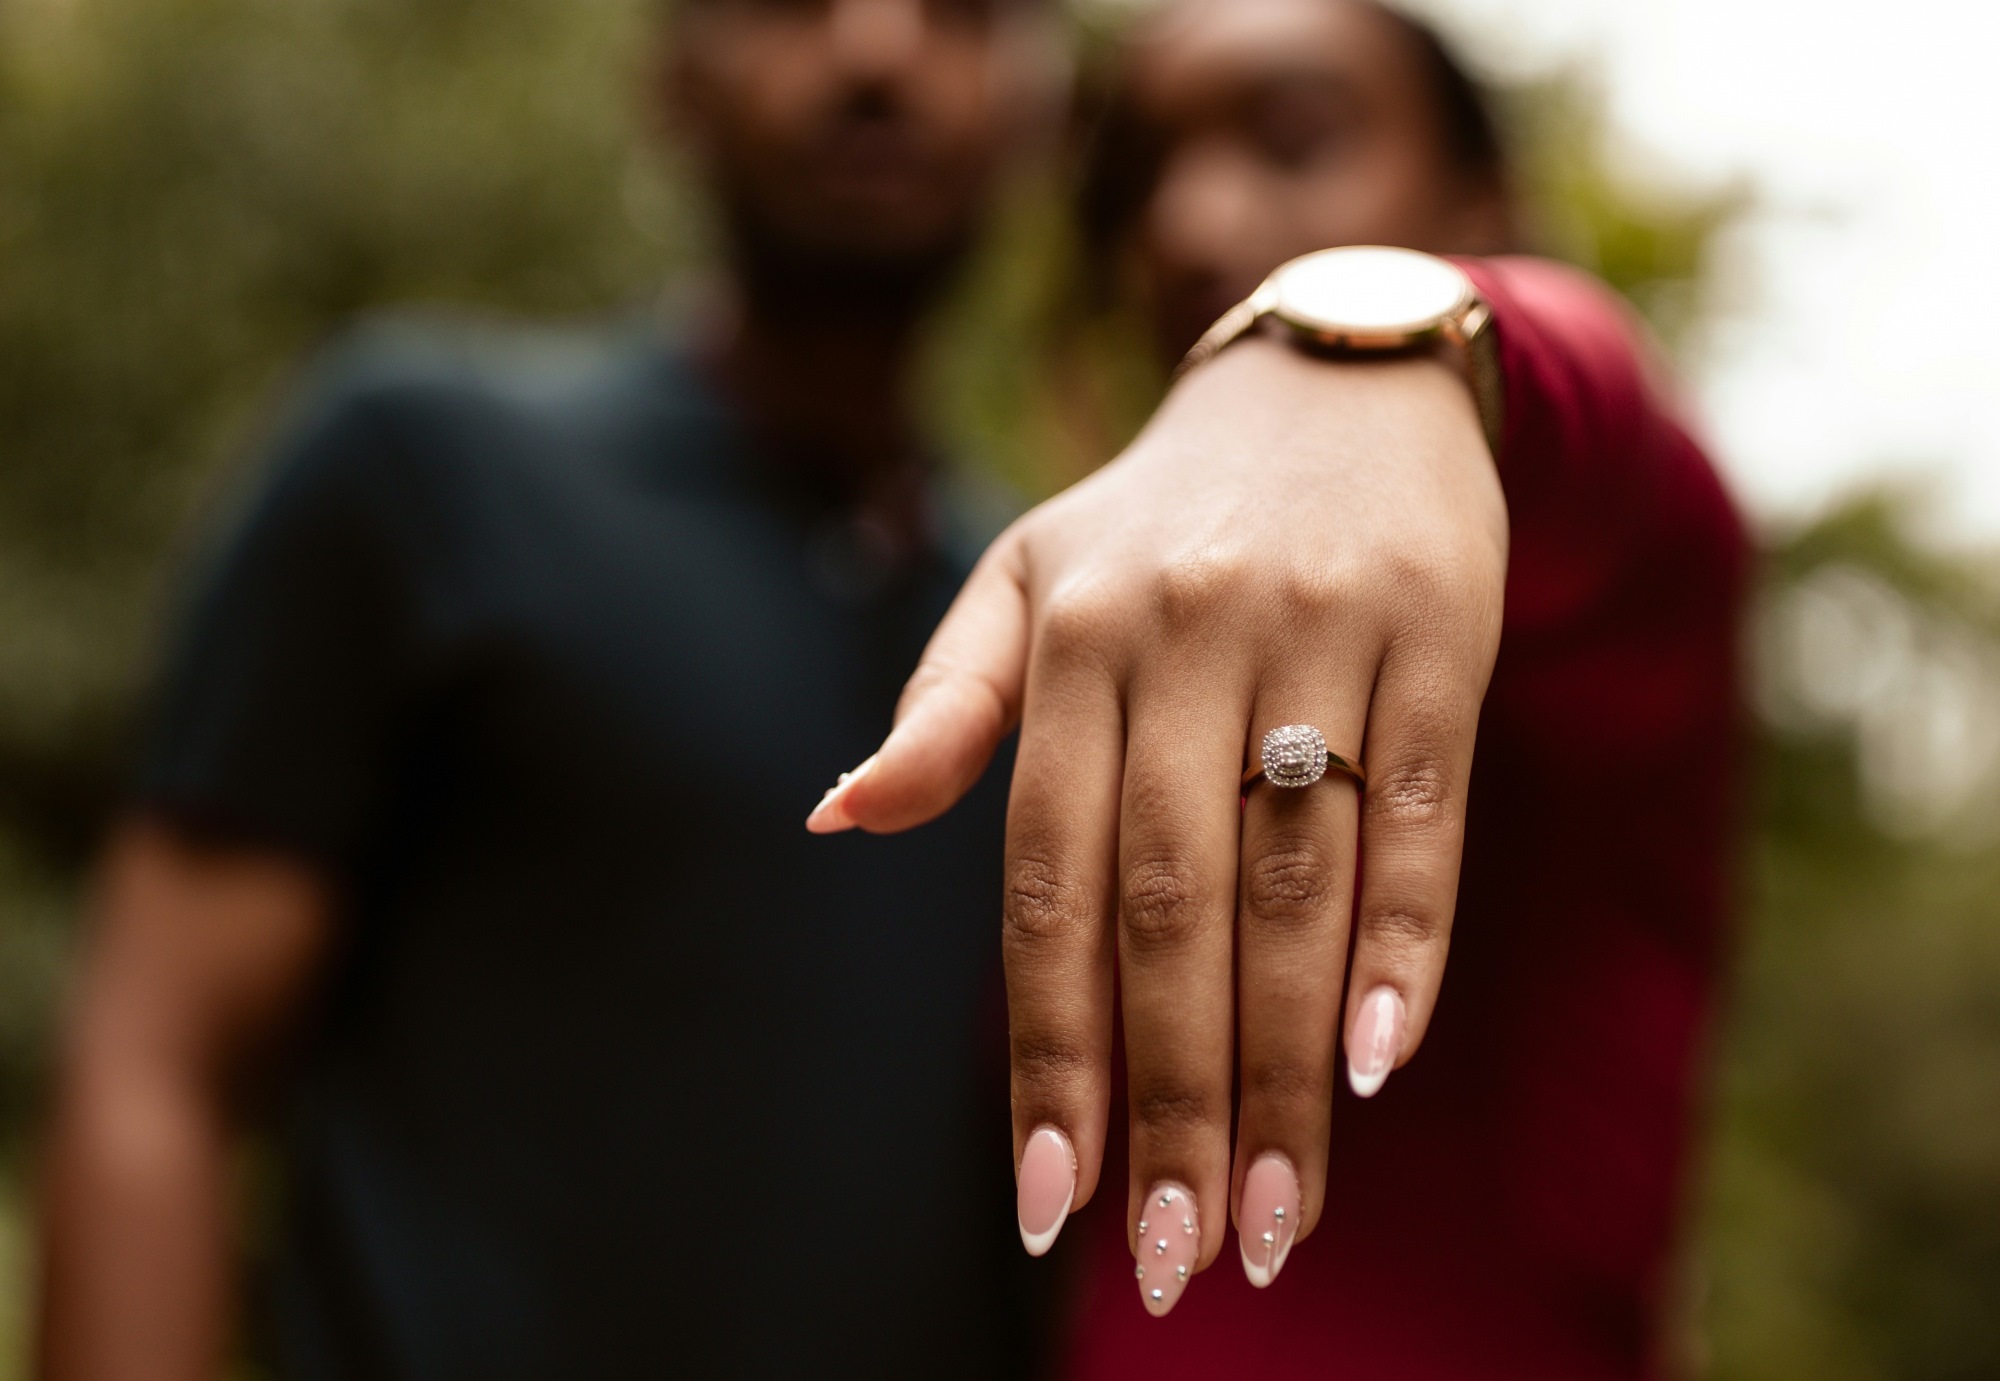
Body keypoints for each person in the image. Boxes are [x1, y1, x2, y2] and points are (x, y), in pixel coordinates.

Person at [36, 1, 1072, 1375]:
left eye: (960, 9)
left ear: (1034, 109)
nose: (878, 45)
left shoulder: (1053, 634)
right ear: (672, 82)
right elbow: (154, 1071)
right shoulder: (421, 473)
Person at [820, 0, 1748, 1375]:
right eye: (1135, 178)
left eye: (1296, 138)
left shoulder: (1626, 552)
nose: (1189, 223)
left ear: (1481, 198)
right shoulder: (1087, 628)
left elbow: (1589, 392)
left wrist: (1364, 339)